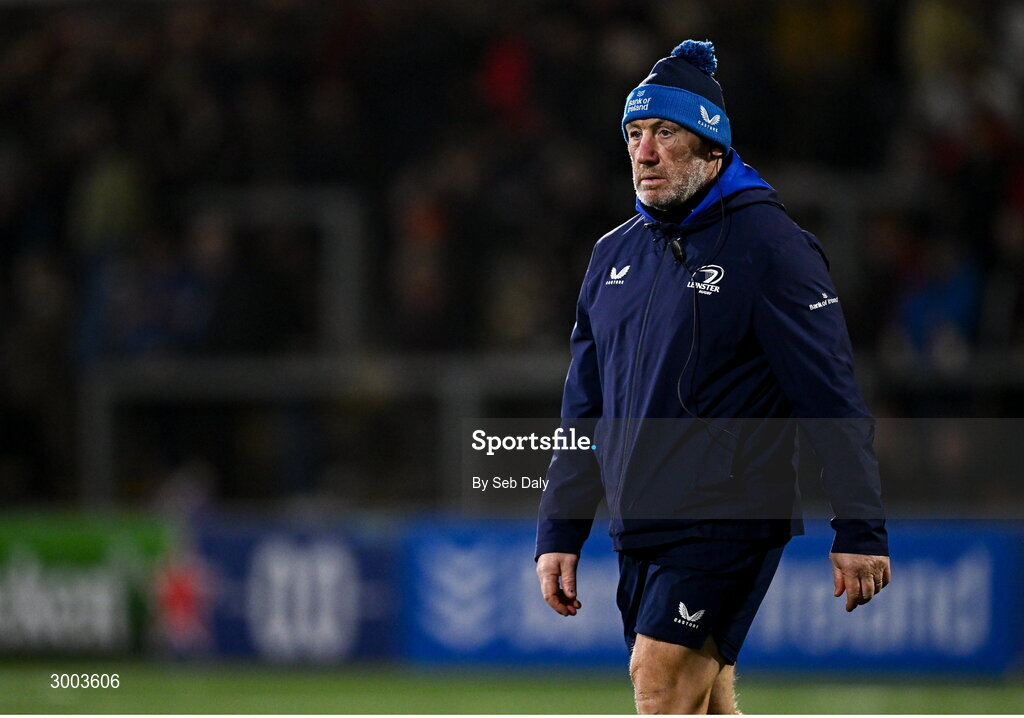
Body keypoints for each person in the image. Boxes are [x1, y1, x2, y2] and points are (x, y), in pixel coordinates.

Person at [534, 40, 891, 714]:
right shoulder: (612, 255)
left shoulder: (771, 247)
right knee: (702, 702)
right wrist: (560, 528)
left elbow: (830, 396)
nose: (644, 152)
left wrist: (860, 525)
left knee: (659, 684)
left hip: (731, 516)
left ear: (711, 148)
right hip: (640, 523)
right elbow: (583, 410)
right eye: (634, 134)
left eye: (665, 133)